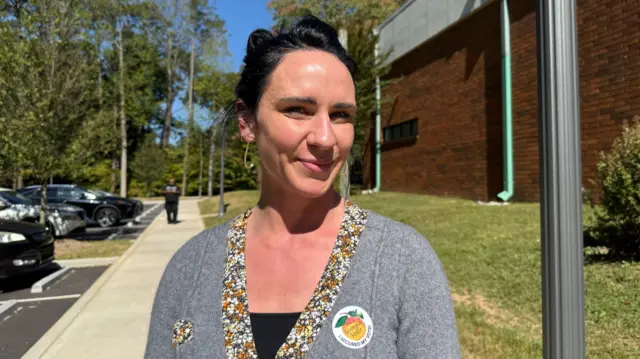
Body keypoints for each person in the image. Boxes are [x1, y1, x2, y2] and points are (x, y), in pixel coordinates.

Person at [145, 15, 460, 359]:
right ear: (247, 122)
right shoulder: (190, 267)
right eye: (297, 109)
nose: (325, 138)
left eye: (340, 115)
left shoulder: (404, 262)